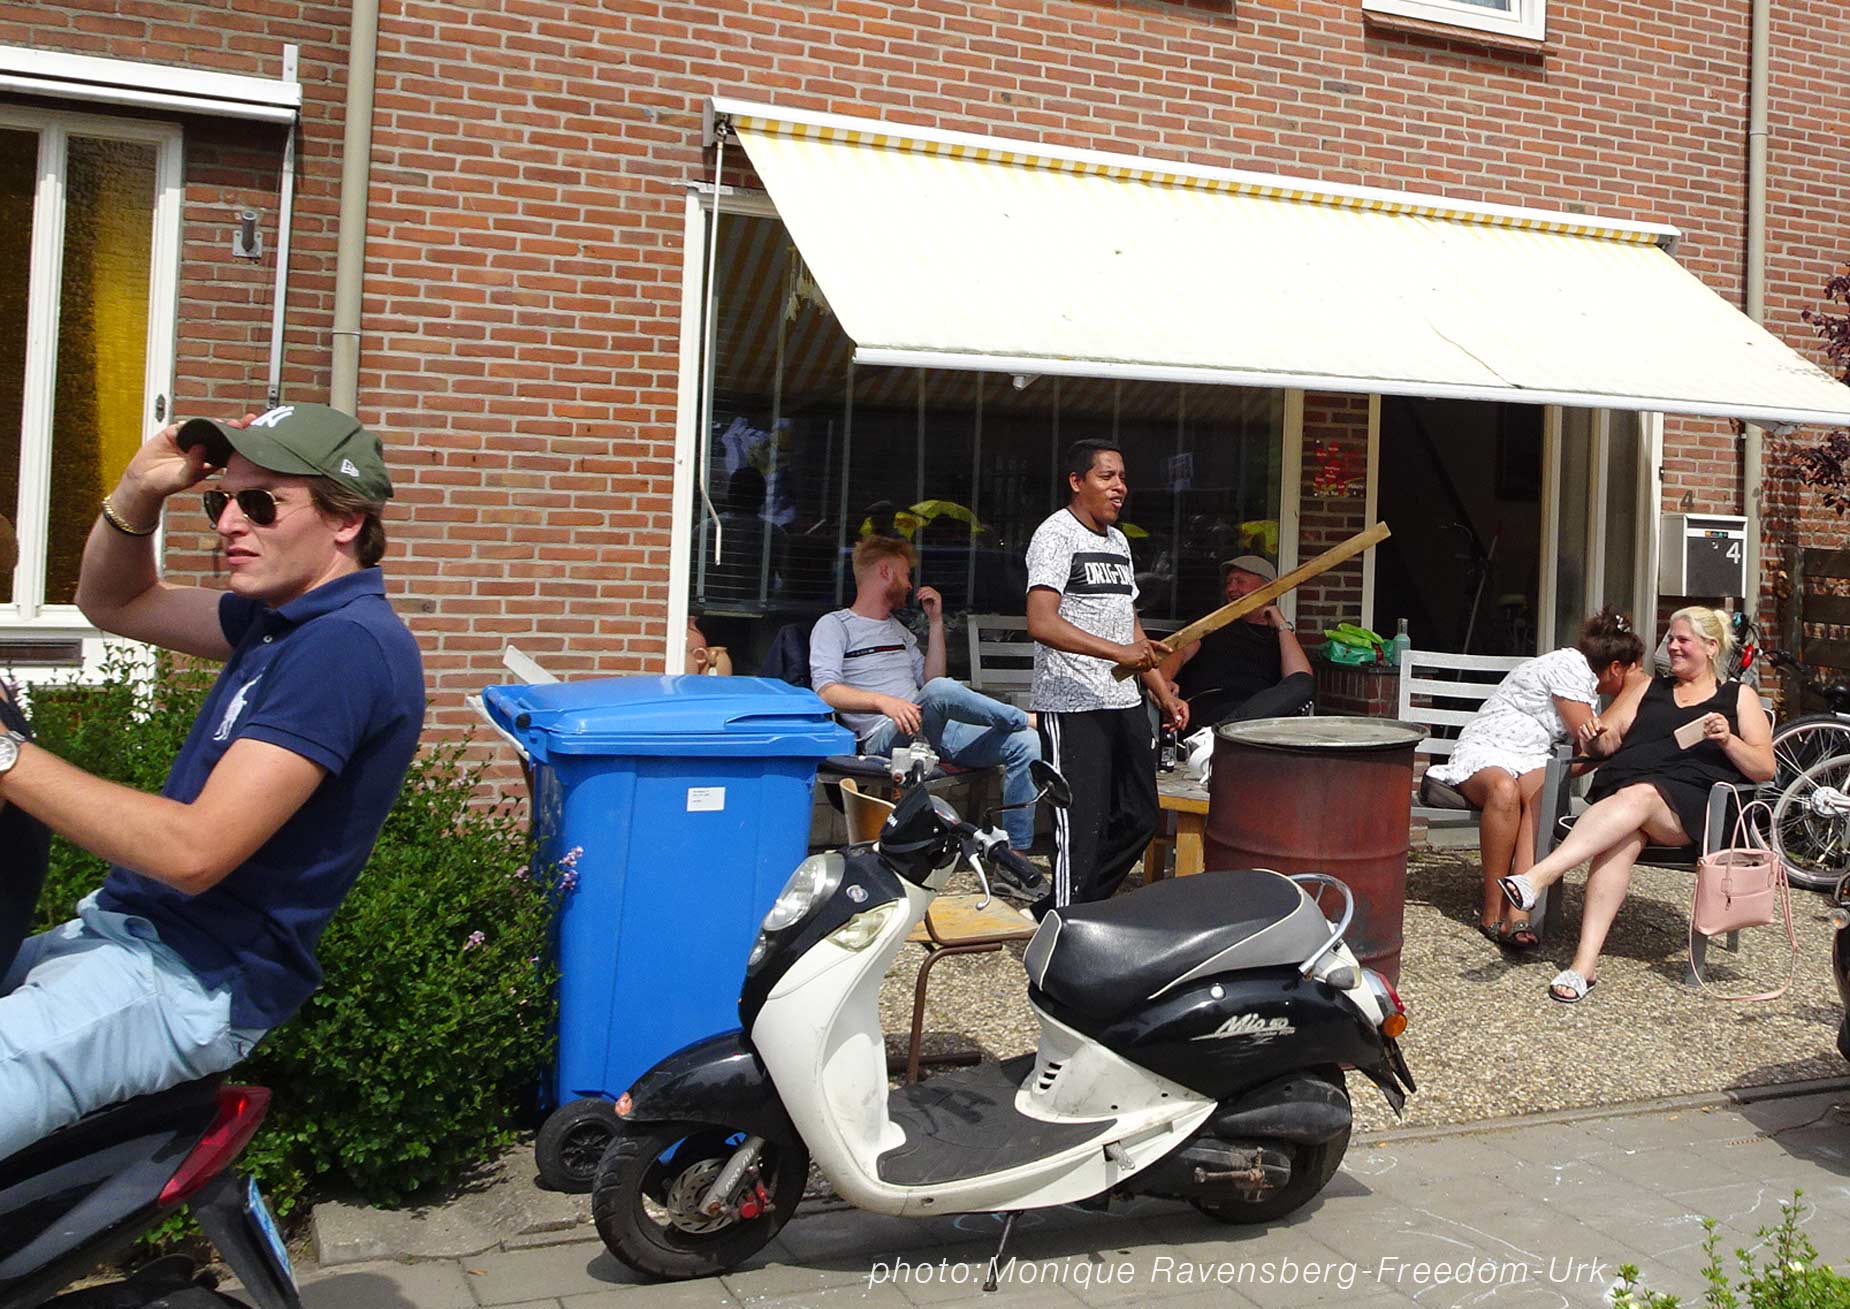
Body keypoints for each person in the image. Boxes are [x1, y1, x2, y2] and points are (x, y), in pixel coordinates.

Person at [0, 403, 425, 1156]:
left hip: (184, 979)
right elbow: (116, 601)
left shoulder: (346, 647)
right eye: (220, 501)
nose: (228, 522)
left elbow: (193, 852)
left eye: (260, 504)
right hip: (124, 939)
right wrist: (137, 491)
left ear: (346, 519)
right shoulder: (280, 622)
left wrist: (6, 756)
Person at [1499, 607, 1774, 1003]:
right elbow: (1608, 742)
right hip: (1629, 804)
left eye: (1683, 640)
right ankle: (1583, 966)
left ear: (1711, 647)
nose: (1672, 646)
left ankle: (1537, 877)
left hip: (1694, 809)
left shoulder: (1737, 697)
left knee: (1641, 795)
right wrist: (1594, 736)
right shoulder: (1649, 689)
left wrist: (1728, 740)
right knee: (1621, 837)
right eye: (1670, 638)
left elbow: (1765, 768)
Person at [1025, 438, 1186, 914]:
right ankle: (1066, 925)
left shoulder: (1117, 542)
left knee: (1141, 816)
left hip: (1123, 700)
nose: (1119, 487)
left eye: (1122, 478)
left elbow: (1126, 621)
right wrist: (1118, 653)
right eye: (1106, 477)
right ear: (1077, 482)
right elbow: (1041, 621)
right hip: (1072, 703)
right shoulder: (1055, 535)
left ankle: (1069, 909)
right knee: (1080, 824)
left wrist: (1161, 691)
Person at [1423, 608, 1645, 952]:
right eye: (1633, 671)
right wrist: (1633, 693)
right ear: (1616, 667)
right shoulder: (1568, 666)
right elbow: (1595, 740)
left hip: (1531, 758)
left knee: (1544, 791)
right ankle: (1492, 910)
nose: (1634, 680)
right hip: (1489, 748)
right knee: (1504, 790)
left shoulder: (1586, 689)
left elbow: (1580, 759)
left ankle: (1519, 909)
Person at [809, 535, 1042, 850]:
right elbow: (825, 692)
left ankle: (1016, 852)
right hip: (885, 736)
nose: (909, 585)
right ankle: (1026, 718)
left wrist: (935, 622)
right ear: (886, 571)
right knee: (943, 693)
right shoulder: (835, 625)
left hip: (929, 730)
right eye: (906, 574)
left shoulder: (899, 631)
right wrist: (883, 703)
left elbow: (933, 681)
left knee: (1025, 743)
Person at [1158, 554, 1314, 727]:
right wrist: (1163, 679)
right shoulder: (1212, 621)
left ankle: (1219, 734)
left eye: (1240, 581)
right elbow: (1178, 651)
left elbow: (1299, 680)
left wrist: (1282, 625)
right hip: (1213, 705)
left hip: (1259, 714)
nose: (1231, 589)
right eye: (1228, 583)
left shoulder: (1279, 635)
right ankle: (1220, 733)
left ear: (1267, 588)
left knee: (1303, 683)